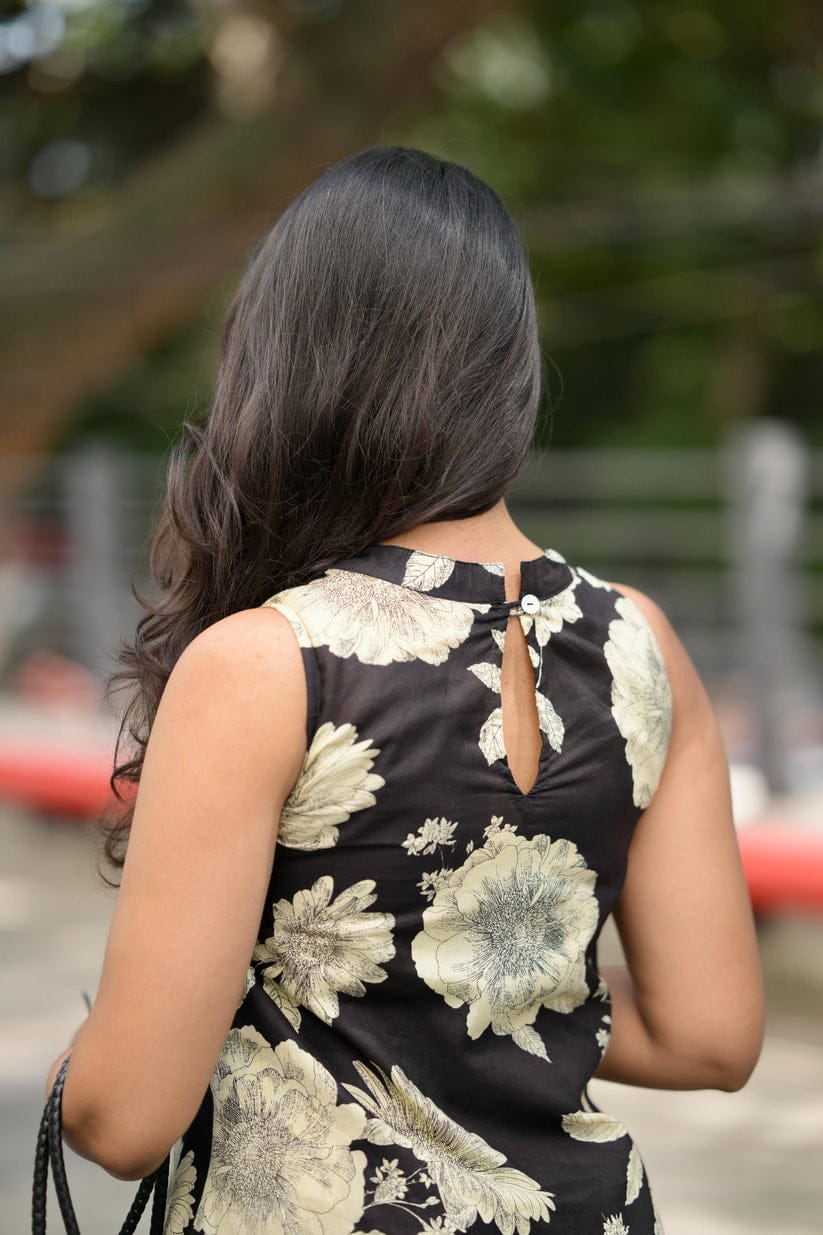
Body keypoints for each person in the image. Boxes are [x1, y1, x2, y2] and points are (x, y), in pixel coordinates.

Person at [45, 145, 764, 1235]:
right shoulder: (638, 643)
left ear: (289, 365)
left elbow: (127, 1115)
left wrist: (94, 1061)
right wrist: (484, 985)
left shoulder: (266, 661)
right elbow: (712, 1031)